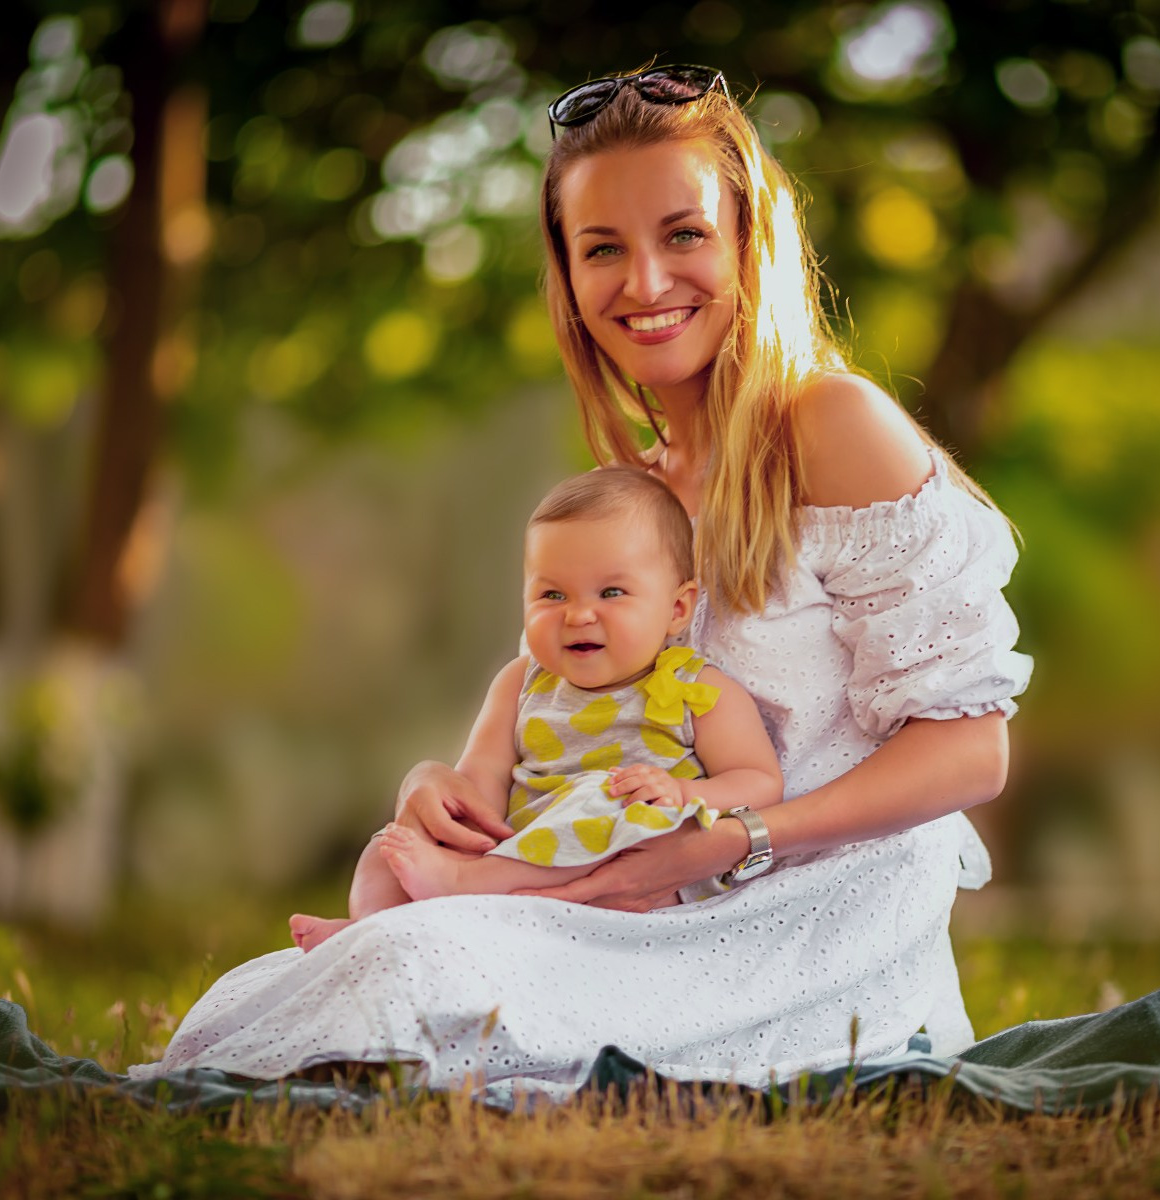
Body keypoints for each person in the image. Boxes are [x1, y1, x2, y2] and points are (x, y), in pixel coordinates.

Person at [130, 65, 1031, 1093]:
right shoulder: (631, 501)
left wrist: (735, 838)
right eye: (604, 248)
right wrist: (452, 790)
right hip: (640, 898)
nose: (645, 283)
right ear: (568, 276)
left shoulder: (830, 425)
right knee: (271, 998)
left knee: (402, 973)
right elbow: (569, 720)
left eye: (683, 234)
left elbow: (970, 752)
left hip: (817, 908)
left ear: (748, 241)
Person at [287, 466, 783, 950]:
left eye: (612, 592)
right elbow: (480, 782)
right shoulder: (520, 682)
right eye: (551, 594)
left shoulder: (698, 688)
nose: (579, 614)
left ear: (677, 609)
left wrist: (678, 791)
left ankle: (463, 884)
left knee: (606, 796)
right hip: (518, 849)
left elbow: (761, 781)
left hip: (620, 874)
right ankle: (374, 934)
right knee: (392, 843)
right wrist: (448, 815)